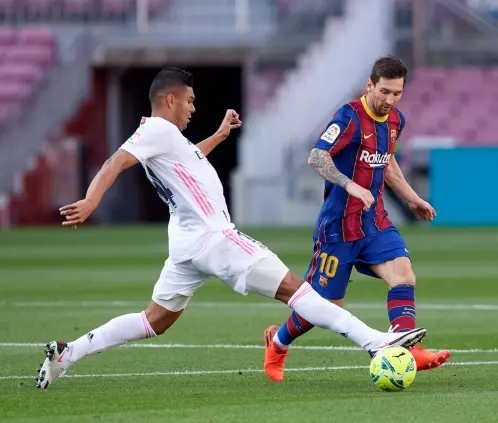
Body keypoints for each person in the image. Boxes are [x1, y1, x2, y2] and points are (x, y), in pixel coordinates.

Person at [35, 67, 427, 389]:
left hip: (186, 245)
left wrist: (219, 136)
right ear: (169, 100)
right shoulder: (154, 130)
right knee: (297, 289)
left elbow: (188, 160)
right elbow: (115, 162)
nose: (192, 108)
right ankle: (377, 342)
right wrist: (91, 199)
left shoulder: (170, 139)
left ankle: (70, 353)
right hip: (214, 238)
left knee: (154, 320)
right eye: (189, 101)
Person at [263, 56, 450, 382]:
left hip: (375, 222)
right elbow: (316, 156)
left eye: (397, 93)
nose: (390, 100)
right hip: (338, 228)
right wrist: (350, 184)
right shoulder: (348, 117)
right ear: (369, 85)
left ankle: (408, 351)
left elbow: (387, 164)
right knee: (324, 306)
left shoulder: (395, 121)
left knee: (404, 275)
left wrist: (412, 199)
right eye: (385, 92)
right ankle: (277, 342)